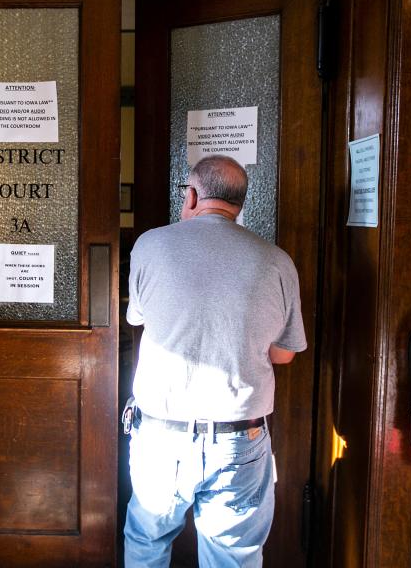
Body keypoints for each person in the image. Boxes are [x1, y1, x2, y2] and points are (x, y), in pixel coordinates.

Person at [123, 154, 306, 567]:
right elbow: (285, 353)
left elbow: (140, 317)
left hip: (160, 434)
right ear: (239, 204)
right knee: (233, 556)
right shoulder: (277, 262)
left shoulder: (150, 245)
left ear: (190, 195)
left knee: (146, 543)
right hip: (239, 438)